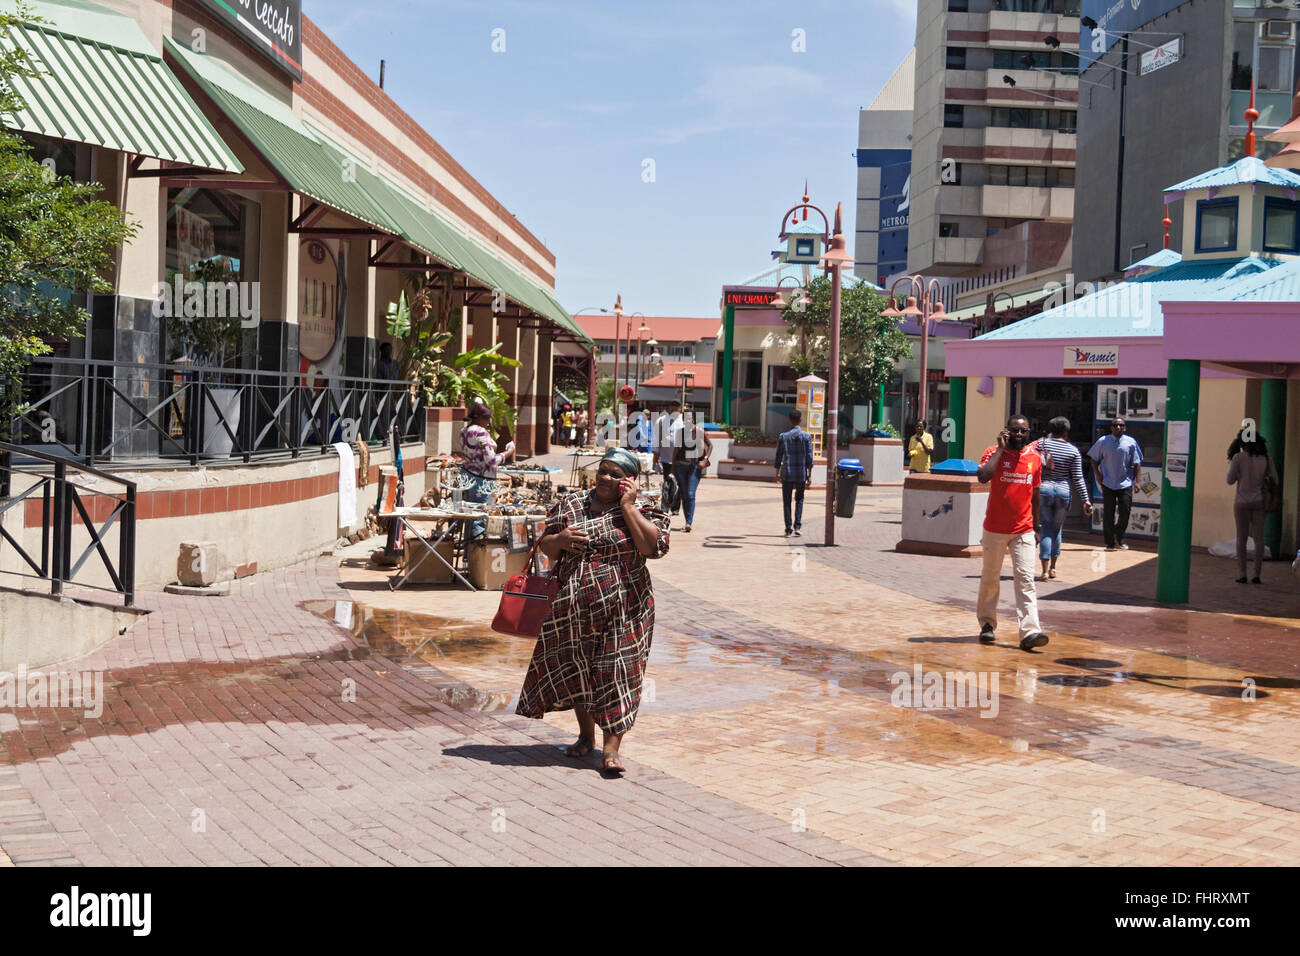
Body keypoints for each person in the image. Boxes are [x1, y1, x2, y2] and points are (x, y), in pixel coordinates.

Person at [516, 448, 670, 776]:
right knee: (580, 672)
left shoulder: (644, 508)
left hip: (627, 607)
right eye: (603, 470)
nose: (605, 478)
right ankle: (585, 737)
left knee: (619, 671)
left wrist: (627, 507)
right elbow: (546, 546)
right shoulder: (572, 504)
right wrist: (561, 538)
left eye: (615, 474)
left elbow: (652, 548)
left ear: (629, 482)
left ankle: (611, 750)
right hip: (573, 607)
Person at [976, 414, 1050, 652]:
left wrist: (1037, 527)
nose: (1019, 435)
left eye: (1023, 431)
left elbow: (1036, 495)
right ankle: (987, 624)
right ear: (1006, 431)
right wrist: (1000, 449)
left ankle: (1030, 631)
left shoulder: (1035, 459)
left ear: (1029, 434)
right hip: (994, 529)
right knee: (990, 578)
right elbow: (983, 476)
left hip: (1024, 529)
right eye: (1015, 431)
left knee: (1026, 579)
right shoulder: (992, 452)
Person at [1033, 416, 1093, 581]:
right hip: (1063, 491)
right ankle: (1053, 568)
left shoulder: (1040, 445)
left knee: (1045, 528)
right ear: (1066, 431)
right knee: (1056, 530)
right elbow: (1078, 478)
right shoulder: (1073, 451)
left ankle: (1044, 571)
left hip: (1044, 489)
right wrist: (1085, 500)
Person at [1227, 429, 1278, 584]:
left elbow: (1229, 480)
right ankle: (1257, 574)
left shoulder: (1238, 458)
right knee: (1259, 539)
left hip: (1241, 502)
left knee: (1241, 539)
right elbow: (1275, 479)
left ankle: (1242, 574)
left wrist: (1239, 474)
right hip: (1259, 501)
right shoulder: (1266, 458)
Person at [1087, 416, 1142, 551]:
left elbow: (1137, 463)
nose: (1118, 427)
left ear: (1125, 427)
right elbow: (1093, 458)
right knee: (1108, 513)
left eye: (1121, 425)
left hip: (1125, 483)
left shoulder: (1131, 442)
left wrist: (1138, 481)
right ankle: (1110, 542)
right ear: (1111, 428)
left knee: (1125, 512)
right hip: (1108, 482)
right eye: (1115, 425)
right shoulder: (1103, 441)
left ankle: (1118, 535)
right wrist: (1098, 474)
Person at [459, 402, 513, 538]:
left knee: (469, 516)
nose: (489, 422)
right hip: (482, 479)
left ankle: (468, 555)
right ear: (481, 418)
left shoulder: (464, 431)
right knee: (479, 517)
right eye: (488, 418)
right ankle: (478, 555)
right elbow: (491, 461)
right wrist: (508, 453)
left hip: (467, 475)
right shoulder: (480, 432)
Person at [670, 408, 712, 533]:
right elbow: (675, 451)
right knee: (684, 495)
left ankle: (689, 522)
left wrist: (705, 459)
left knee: (690, 493)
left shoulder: (699, 432)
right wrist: (672, 469)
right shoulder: (680, 433)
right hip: (680, 466)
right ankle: (687, 521)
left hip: (694, 467)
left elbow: (710, 445)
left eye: (690, 418)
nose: (688, 420)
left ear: (693, 419)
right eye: (685, 418)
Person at [774, 409, 814, 537]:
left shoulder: (783, 437)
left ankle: (788, 528)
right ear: (800, 420)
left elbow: (778, 456)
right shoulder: (806, 436)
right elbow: (809, 457)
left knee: (787, 501)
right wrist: (810, 474)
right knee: (800, 499)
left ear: (790, 420)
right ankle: (797, 525)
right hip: (801, 473)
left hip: (787, 473)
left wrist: (777, 472)